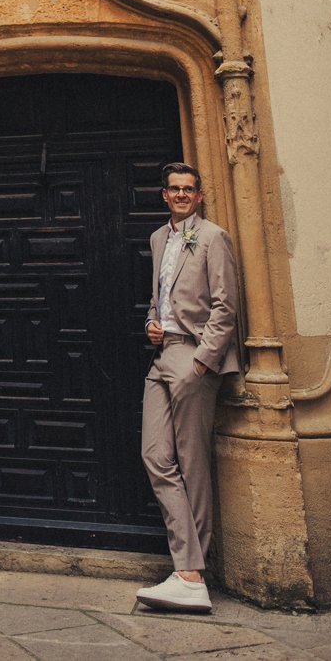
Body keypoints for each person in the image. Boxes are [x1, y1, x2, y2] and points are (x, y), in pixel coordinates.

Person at [136, 162, 239, 615]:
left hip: (194, 357)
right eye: (174, 189)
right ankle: (189, 570)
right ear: (165, 195)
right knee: (155, 455)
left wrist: (201, 363)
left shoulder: (214, 237)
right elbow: (157, 297)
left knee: (192, 463)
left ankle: (190, 574)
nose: (181, 195)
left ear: (199, 196)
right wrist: (151, 324)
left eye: (189, 190)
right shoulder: (159, 238)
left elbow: (226, 305)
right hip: (162, 355)